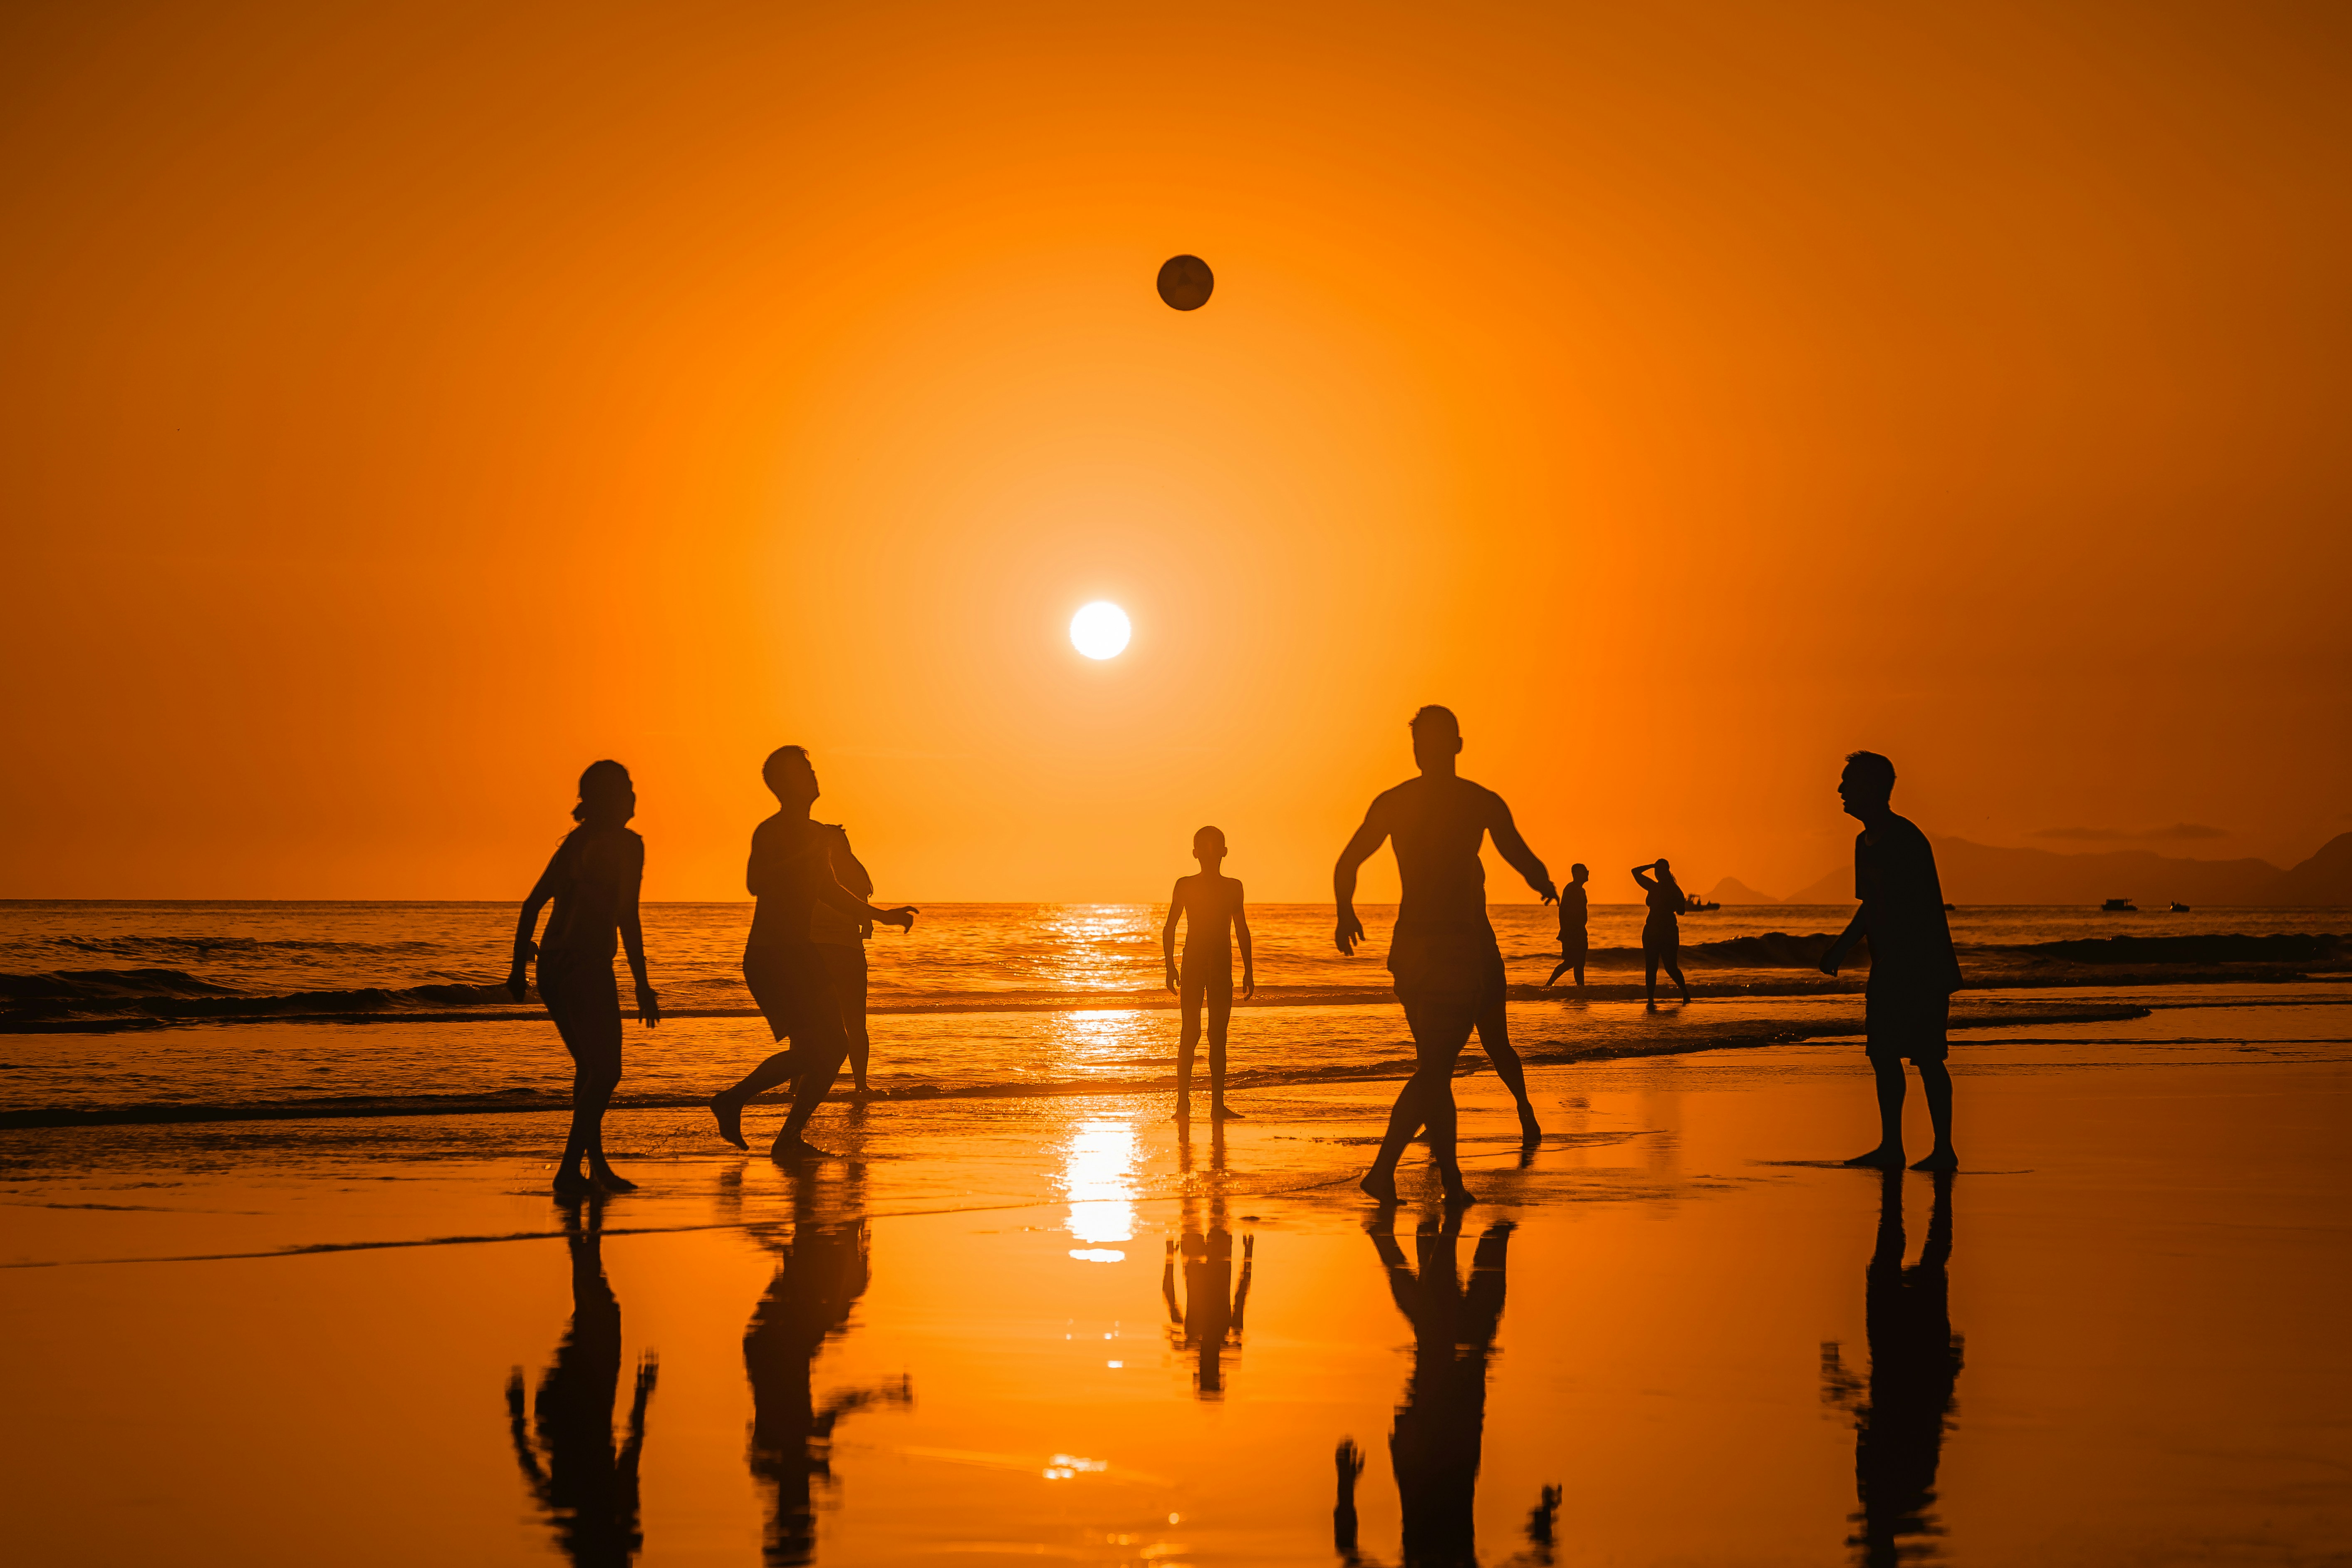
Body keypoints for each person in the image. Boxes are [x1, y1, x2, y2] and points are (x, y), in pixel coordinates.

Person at [1336, 706, 1556, 1206]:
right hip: (1451, 945)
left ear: (1454, 747)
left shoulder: (1401, 802)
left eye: (1430, 746)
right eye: (1424, 747)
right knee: (1437, 1065)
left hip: (1413, 946)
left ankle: (1450, 1182)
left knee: (1435, 1062)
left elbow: (1347, 861)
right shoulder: (1475, 801)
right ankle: (1391, 1171)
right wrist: (1541, 880)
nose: (1427, 755)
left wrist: (1344, 910)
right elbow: (1519, 855)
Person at [708, 747, 917, 1162]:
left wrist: (883, 915)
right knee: (814, 1049)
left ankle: (783, 1134)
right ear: (784, 784)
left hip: (801, 954)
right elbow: (755, 883)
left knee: (832, 1047)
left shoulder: (819, 835)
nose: (814, 775)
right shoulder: (770, 831)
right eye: (804, 771)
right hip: (772, 956)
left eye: (811, 768)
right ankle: (735, 1101)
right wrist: (801, 856)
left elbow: (829, 890)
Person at [508, 760, 659, 1196]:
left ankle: (594, 1169)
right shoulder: (628, 845)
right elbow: (627, 917)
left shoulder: (575, 843)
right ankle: (569, 1170)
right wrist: (642, 985)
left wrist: (518, 970)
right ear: (613, 799)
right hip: (587, 966)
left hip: (551, 968)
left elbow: (531, 905)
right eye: (627, 789)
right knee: (606, 1072)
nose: (634, 795)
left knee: (589, 1070)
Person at [1820, 751, 1964, 1171]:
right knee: (1882, 1055)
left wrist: (1905, 962)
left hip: (1921, 967)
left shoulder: (1904, 839)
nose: (1840, 790)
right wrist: (1842, 946)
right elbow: (1868, 907)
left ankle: (1943, 1150)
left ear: (1872, 787)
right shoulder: (1862, 844)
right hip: (1887, 967)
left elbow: (1914, 908)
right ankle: (1891, 1146)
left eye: (1848, 782)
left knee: (1927, 1057)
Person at [1820, 1168, 1962, 1565]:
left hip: (1898, 1361)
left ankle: (1914, 1191)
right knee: (1920, 1263)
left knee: (1907, 1261)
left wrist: (1949, 1366)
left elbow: (1880, 1423)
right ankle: (1926, 1192)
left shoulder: (1894, 1491)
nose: (1861, 1528)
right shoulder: (1906, 1491)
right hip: (1905, 1362)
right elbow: (1903, 1423)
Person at [505, 1197, 656, 1568]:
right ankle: (582, 1229)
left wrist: (642, 1393)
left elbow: (630, 1451)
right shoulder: (577, 1516)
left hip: (582, 1403)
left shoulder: (598, 1512)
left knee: (600, 1312)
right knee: (596, 1311)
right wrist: (518, 1416)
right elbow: (532, 1466)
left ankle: (580, 1225)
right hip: (558, 1410)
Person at [1161, 825, 1255, 1120]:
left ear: (1224, 852)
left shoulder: (1233, 887)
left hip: (1220, 965)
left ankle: (1216, 1106)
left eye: (1216, 847)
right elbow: (1170, 925)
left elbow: (1241, 928)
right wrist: (1169, 965)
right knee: (1192, 1032)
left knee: (1217, 1035)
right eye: (1207, 847)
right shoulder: (1186, 885)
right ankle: (1183, 1105)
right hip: (1194, 964)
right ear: (1195, 853)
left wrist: (1249, 971)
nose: (1212, 853)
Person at [809, 821, 880, 1097]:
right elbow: (868, 928)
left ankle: (797, 1086)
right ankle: (861, 1084)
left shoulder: (813, 872)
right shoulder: (857, 875)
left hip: (816, 953)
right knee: (855, 1024)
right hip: (849, 953)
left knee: (810, 1023)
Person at [1630, 859, 1691, 1006]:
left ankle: (1652, 1000)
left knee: (1653, 967)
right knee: (1670, 967)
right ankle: (1684, 993)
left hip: (1656, 930)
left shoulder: (1654, 887)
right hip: (1666, 930)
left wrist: (1651, 865)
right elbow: (1682, 912)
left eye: (1658, 871)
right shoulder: (1675, 890)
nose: (1657, 873)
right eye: (1656, 870)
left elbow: (1635, 872)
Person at [1545, 863, 1591, 988]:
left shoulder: (1581, 890)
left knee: (1580, 963)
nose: (1588, 874)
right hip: (1572, 932)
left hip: (1581, 932)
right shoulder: (1571, 889)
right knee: (1571, 962)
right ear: (1576, 874)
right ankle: (1548, 984)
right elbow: (1563, 911)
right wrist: (1564, 931)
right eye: (1585, 871)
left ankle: (1581, 989)